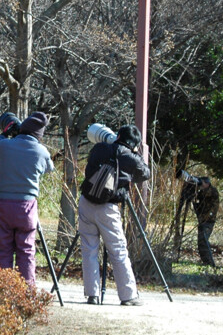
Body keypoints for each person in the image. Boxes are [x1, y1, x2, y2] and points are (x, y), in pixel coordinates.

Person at [78, 124, 151, 306]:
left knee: (89, 250)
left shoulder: (99, 148)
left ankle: (92, 295)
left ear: (118, 136)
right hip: (108, 207)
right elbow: (145, 173)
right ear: (134, 144)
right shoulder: (130, 157)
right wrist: (134, 153)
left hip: (86, 202)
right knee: (118, 250)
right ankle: (128, 296)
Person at [0, 111, 54, 287]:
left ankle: (2, 290)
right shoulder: (41, 151)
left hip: (2, 204)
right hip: (27, 206)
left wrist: (4, 134)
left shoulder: (5, 145)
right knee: (27, 250)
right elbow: (49, 168)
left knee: (2, 249)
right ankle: (26, 293)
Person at [182, 176, 219, 266]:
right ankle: (205, 262)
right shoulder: (201, 192)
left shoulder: (212, 191)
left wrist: (198, 185)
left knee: (203, 241)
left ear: (207, 183)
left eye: (202, 183)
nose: (200, 185)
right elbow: (197, 198)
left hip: (208, 220)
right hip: (202, 219)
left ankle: (209, 262)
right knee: (201, 242)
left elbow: (207, 194)